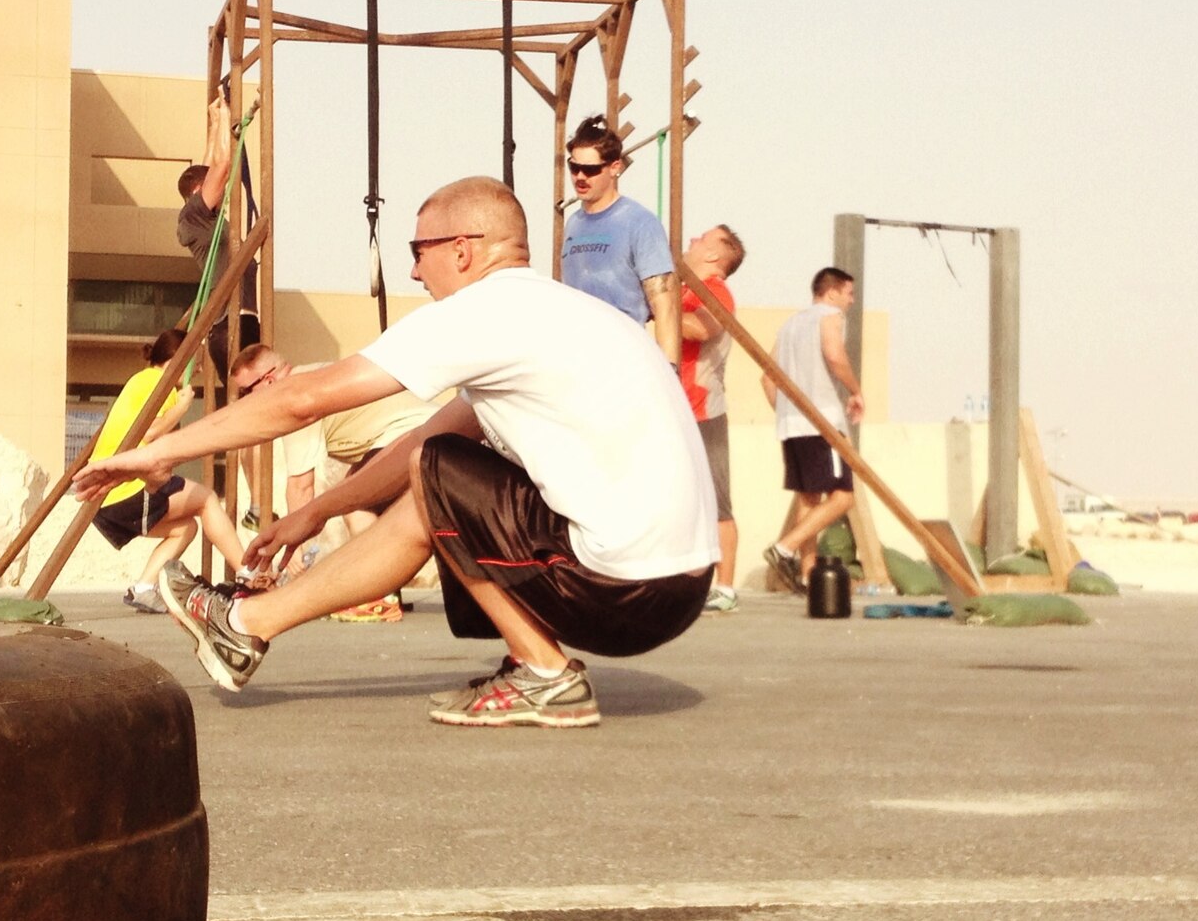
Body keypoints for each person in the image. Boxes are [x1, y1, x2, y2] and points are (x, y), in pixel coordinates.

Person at [73, 177, 716, 728]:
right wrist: (316, 512)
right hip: (674, 585)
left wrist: (152, 454)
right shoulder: (563, 313)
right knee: (441, 467)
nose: (412, 270)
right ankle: (245, 626)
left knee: (439, 476)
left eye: (419, 250)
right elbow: (430, 435)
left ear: (462, 251)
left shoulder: (485, 312)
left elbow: (303, 400)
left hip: (622, 592)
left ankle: (547, 675)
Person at [225, 340, 438, 622]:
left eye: (245, 392)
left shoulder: (295, 394)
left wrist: (295, 550)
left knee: (356, 504)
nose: (244, 401)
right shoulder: (313, 374)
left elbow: (301, 486)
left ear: (269, 379)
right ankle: (385, 589)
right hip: (428, 428)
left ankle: (380, 598)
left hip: (415, 433)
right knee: (358, 491)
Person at [87, 327, 246, 611]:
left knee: (185, 528)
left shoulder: (141, 380)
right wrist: (183, 407)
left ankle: (145, 588)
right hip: (127, 489)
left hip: (108, 498)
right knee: (207, 499)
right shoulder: (159, 384)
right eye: (195, 359)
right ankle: (247, 573)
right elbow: (149, 433)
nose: (199, 366)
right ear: (177, 360)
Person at [760, 265, 865, 592]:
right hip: (823, 423)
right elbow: (834, 355)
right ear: (831, 291)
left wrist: (787, 413)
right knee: (843, 497)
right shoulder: (829, 316)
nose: (851, 301)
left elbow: (766, 377)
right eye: (849, 293)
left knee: (809, 498)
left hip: (791, 426)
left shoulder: (790, 324)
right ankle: (784, 547)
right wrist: (856, 390)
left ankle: (808, 576)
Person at [559, 115, 680, 364]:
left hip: (624, 357)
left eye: (591, 170)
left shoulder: (639, 222)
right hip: (576, 357)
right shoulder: (573, 223)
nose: (580, 176)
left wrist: (671, 371)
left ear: (615, 167)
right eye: (574, 167)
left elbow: (664, 304)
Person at [678, 224, 746, 613]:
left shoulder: (716, 291)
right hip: (678, 408)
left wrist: (658, 304)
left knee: (716, 501)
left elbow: (701, 328)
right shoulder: (684, 290)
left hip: (704, 410)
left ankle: (726, 588)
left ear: (715, 257)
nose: (691, 240)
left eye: (702, 238)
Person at [174, 89, 234, 268]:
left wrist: (216, 123)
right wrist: (225, 111)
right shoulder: (195, 213)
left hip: (233, 291)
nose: (221, 189)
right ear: (197, 190)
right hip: (229, 293)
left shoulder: (196, 215)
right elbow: (223, 164)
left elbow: (208, 169)